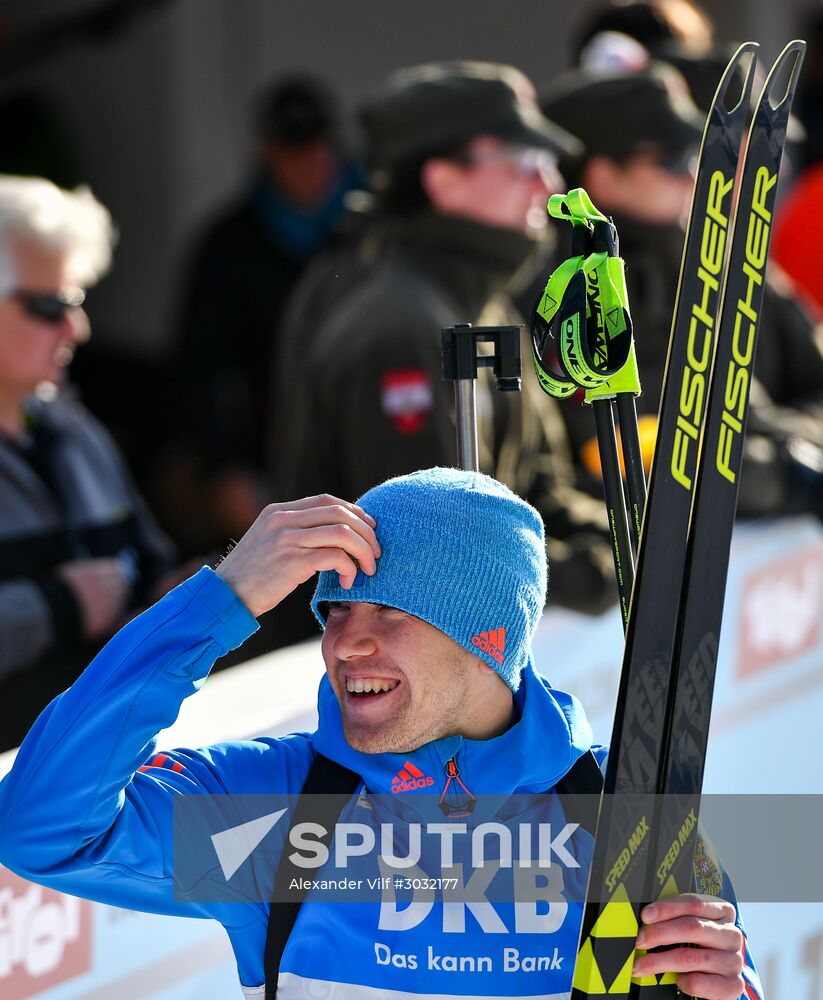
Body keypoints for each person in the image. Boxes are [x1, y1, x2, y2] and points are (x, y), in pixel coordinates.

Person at [0, 467, 759, 999]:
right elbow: (42, 826)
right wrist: (219, 602)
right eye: (334, 610)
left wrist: (729, 994)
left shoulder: (630, 817)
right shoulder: (272, 807)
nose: (345, 644)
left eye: (389, 612)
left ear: (490, 638)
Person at [270, 61, 616, 651]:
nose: (549, 187)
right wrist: (591, 574)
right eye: (521, 163)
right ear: (442, 180)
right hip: (376, 687)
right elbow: (428, 556)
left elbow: (537, 486)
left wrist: (625, 544)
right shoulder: (399, 323)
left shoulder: (484, 301)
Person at [539, 64, 823, 517]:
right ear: (604, 177)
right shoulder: (564, 293)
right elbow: (640, 458)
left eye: (696, 154)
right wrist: (784, 477)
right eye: (672, 160)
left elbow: (772, 400)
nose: (696, 175)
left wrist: (795, 454)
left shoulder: (714, 253)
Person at [0, 174, 193, 750]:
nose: (76, 328)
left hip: (102, 770)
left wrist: (229, 582)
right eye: (49, 306)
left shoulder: (75, 429)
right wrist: (57, 607)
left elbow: (152, 568)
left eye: (76, 304)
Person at [175, 74, 362, 547]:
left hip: (362, 442)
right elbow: (201, 367)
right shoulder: (228, 244)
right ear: (266, 152)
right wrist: (223, 468)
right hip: (272, 457)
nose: (309, 165)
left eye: (318, 149)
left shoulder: (369, 235)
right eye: (292, 151)